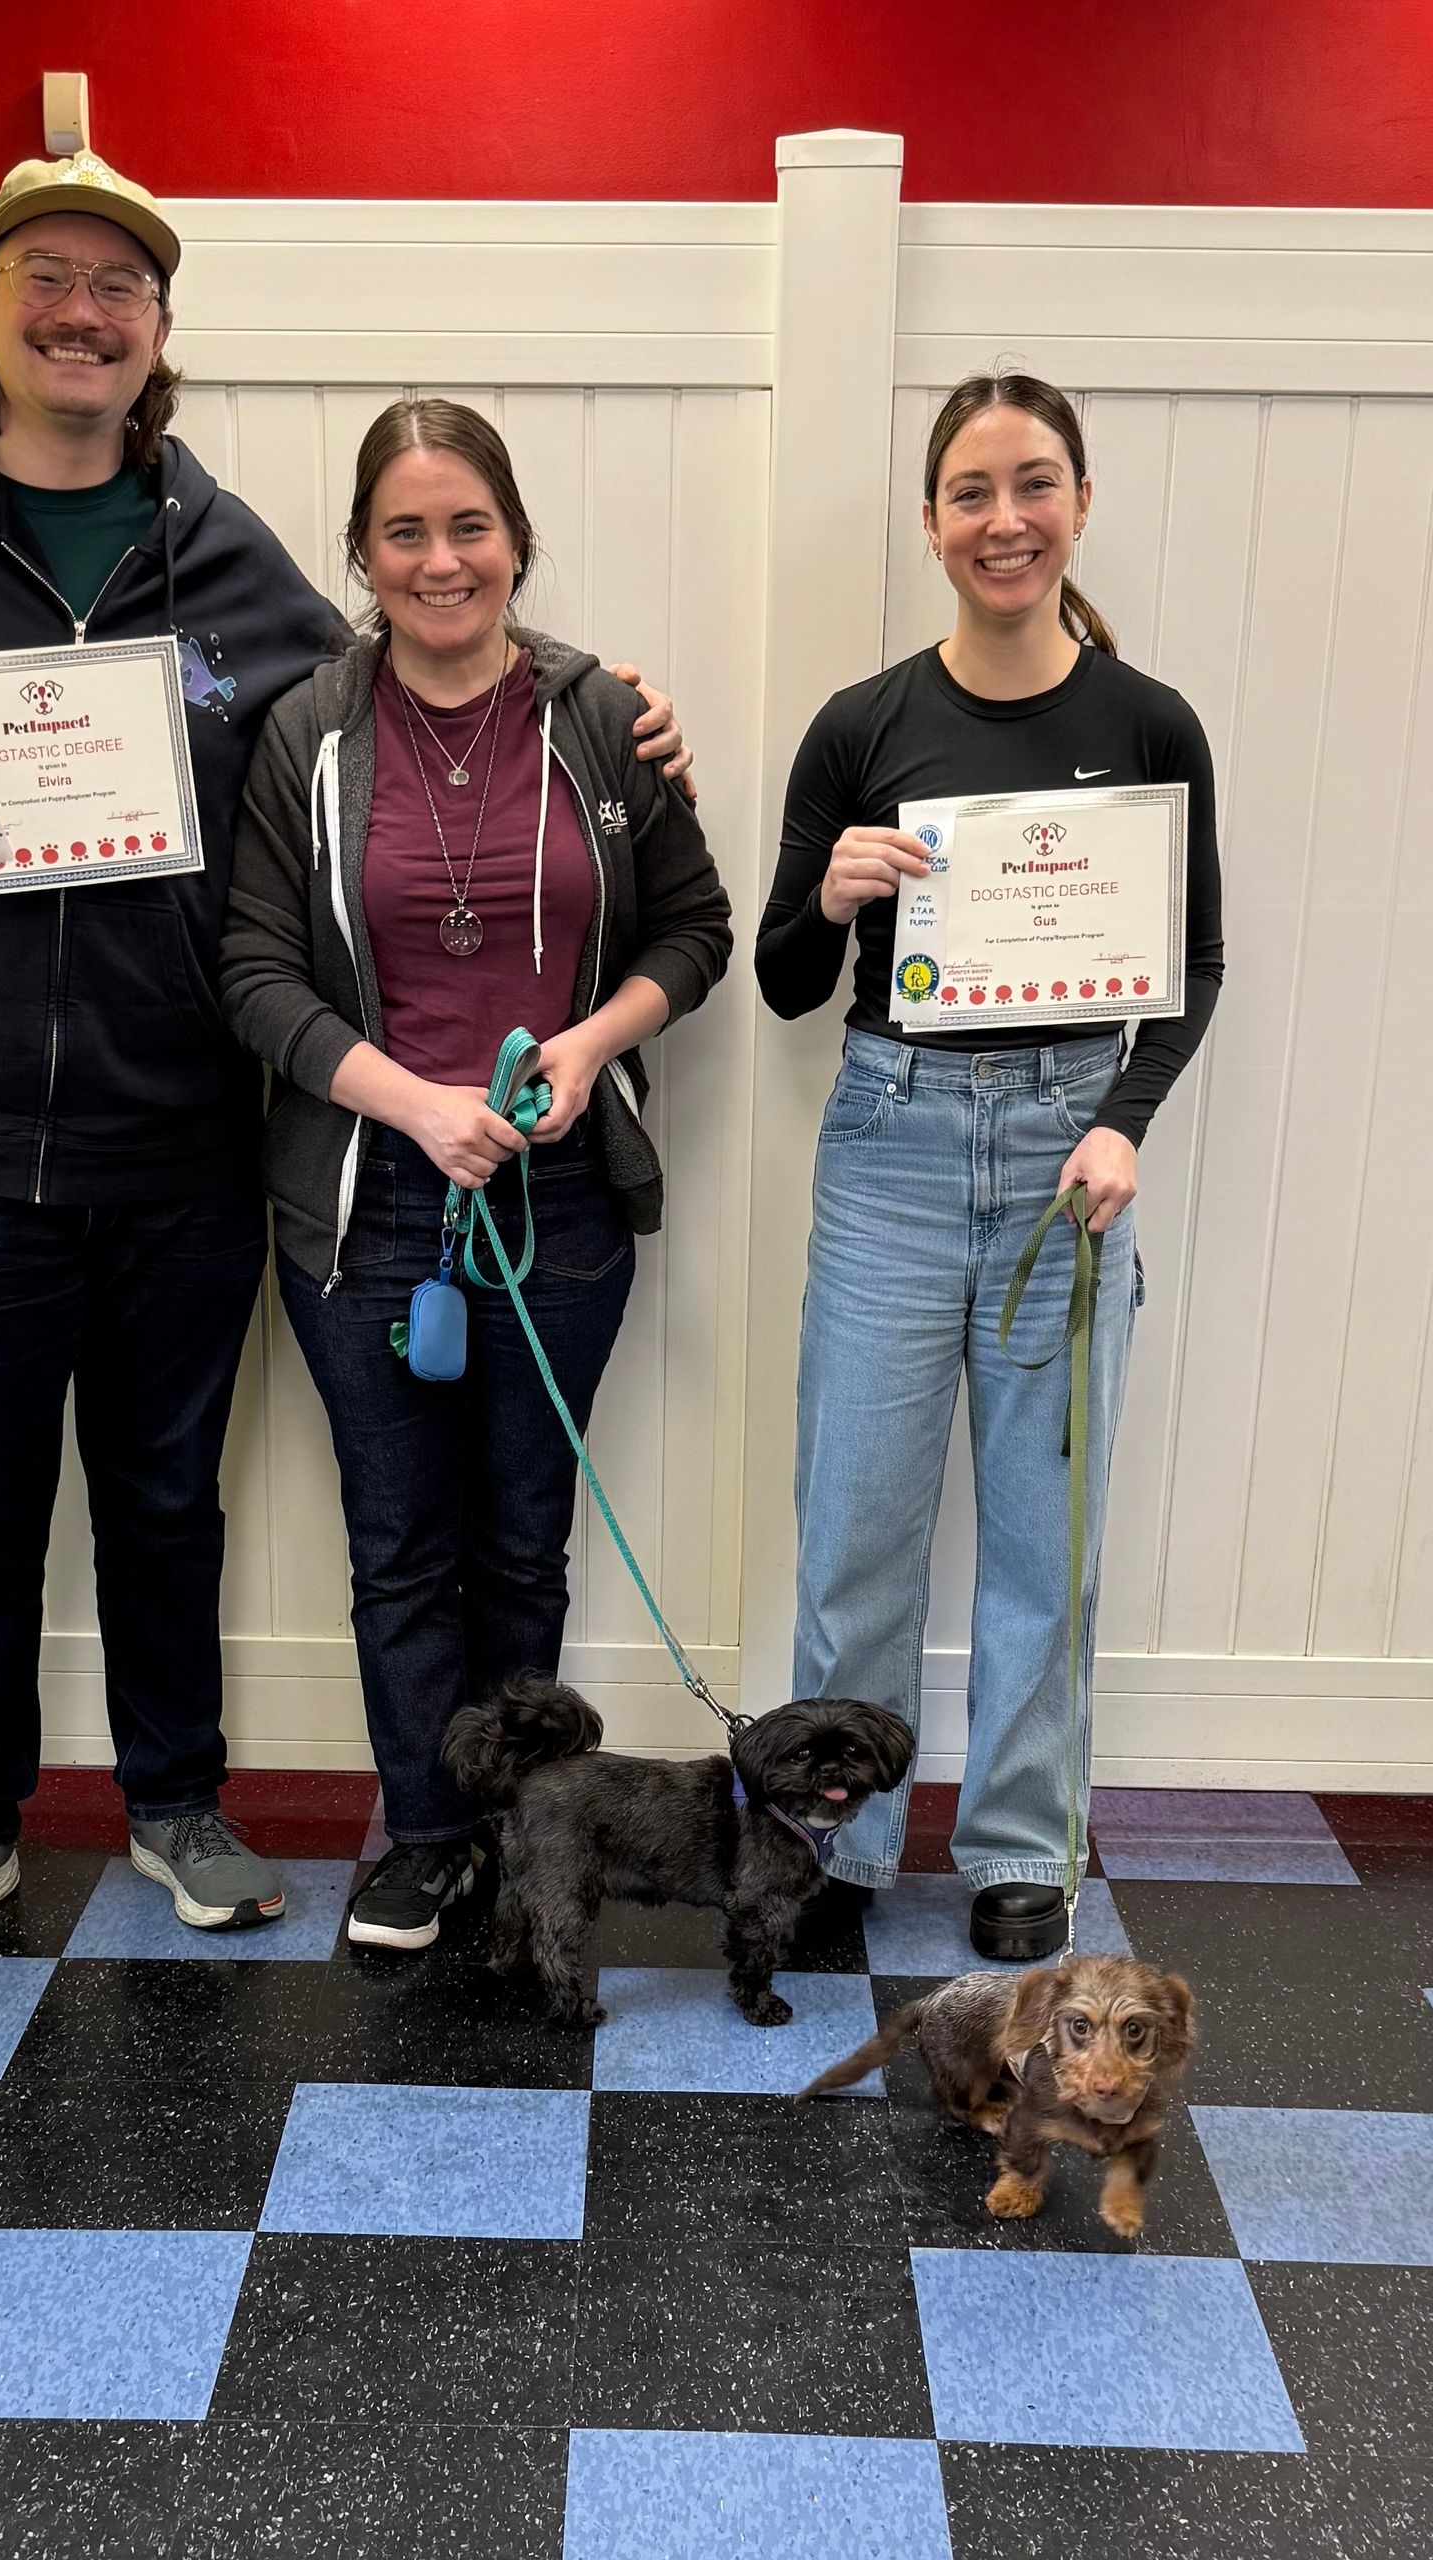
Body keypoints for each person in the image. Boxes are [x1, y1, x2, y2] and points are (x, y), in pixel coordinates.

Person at [0, 157, 691, 1963]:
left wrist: (607, 701)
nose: (82, 313)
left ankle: (174, 1806)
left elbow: (408, 683)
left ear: (160, 333)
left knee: (166, 1499)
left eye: (121, 289)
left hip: (183, 1142)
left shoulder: (233, 561)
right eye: (47, 278)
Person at [220, 399, 731, 1951]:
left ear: (515, 541)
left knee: (522, 1539)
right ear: (362, 557)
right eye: (403, 533)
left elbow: (692, 931)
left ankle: (534, 1836)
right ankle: (429, 1832)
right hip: (369, 1212)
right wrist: (410, 1105)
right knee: (401, 1550)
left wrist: (589, 1044)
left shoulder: (602, 721)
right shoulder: (306, 731)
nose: (440, 562)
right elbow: (251, 969)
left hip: (564, 1211)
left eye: (470, 528)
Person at [755, 371, 1224, 1963]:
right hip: (890, 1141)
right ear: (933, 520)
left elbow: (1194, 964)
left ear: (1078, 504)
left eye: (1033, 485)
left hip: (1065, 1151)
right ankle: (840, 1835)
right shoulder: (863, 725)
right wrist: (829, 892)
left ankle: (1025, 1842)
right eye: (970, 490)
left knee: (1046, 1528)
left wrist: (1123, 1120)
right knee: (856, 1527)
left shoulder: (1148, 724)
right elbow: (779, 985)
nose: (1003, 519)